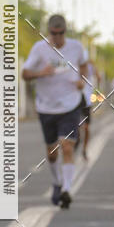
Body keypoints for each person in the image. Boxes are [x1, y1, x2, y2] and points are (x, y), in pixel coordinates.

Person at [22, 15, 88, 209]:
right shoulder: (39, 49)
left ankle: (67, 190)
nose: (57, 37)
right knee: (52, 153)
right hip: (46, 107)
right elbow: (25, 74)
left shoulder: (76, 47)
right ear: (48, 32)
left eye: (61, 34)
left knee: (66, 146)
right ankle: (57, 182)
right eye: (53, 34)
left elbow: (84, 65)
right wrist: (41, 73)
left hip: (70, 105)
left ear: (65, 32)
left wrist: (81, 81)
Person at [79, 59, 98, 161]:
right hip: (74, 102)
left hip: (86, 102)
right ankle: (75, 144)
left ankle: (84, 149)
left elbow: (98, 76)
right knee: (76, 127)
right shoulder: (73, 67)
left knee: (86, 127)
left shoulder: (90, 68)